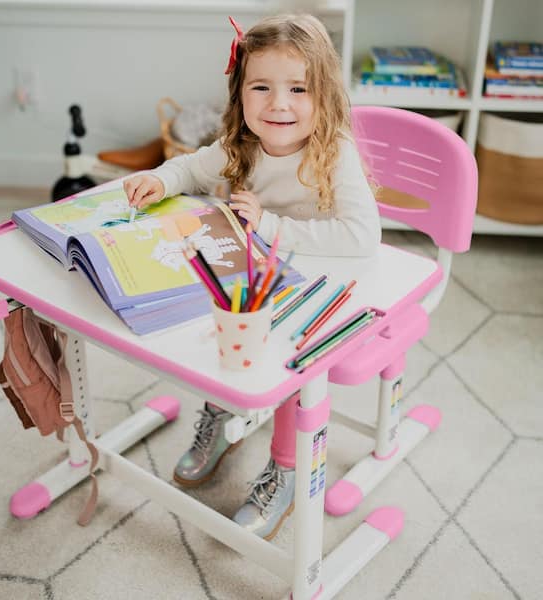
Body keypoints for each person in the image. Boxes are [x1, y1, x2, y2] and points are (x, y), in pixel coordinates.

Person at [123, 13, 381, 540]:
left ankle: (285, 470)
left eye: (298, 89)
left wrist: (271, 224)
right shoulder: (239, 143)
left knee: (287, 372)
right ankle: (222, 417)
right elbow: (191, 169)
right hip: (254, 283)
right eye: (260, 87)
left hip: (320, 291)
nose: (278, 104)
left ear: (325, 97)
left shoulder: (336, 155)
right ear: (240, 95)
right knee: (220, 338)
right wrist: (159, 175)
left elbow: (362, 237)